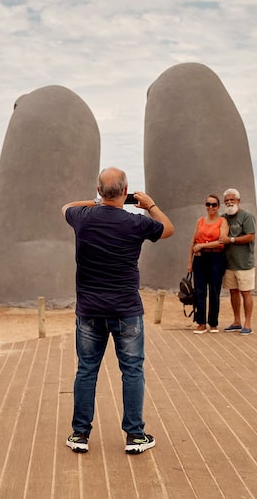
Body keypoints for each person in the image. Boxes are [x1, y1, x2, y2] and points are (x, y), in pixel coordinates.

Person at [61, 167, 174, 454]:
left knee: (86, 371)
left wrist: (97, 202)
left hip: (89, 310)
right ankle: (135, 436)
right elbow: (168, 229)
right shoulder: (136, 222)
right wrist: (149, 205)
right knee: (132, 371)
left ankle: (80, 435)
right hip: (126, 309)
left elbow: (66, 207)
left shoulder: (82, 219)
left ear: (99, 191)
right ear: (126, 192)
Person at [187, 194, 228, 334]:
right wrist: (189, 261)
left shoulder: (223, 221)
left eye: (214, 205)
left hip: (216, 257)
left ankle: (213, 323)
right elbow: (192, 241)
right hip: (199, 259)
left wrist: (202, 246)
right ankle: (201, 322)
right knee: (199, 290)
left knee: (214, 291)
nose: (210, 207)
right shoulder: (200, 221)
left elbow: (222, 241)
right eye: (208, 204)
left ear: (218, 206)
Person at [219, 188, 256, 335]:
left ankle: (247, 324)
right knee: (233, 292)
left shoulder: (246, 216)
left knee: (245, 292)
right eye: (226, 200)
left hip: (244, 264)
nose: (229, 202)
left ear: (238, 201)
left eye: (232, 200)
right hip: (229, 264)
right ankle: (236, 321)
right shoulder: (223, 218)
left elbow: (250, 237)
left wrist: (231, 239)